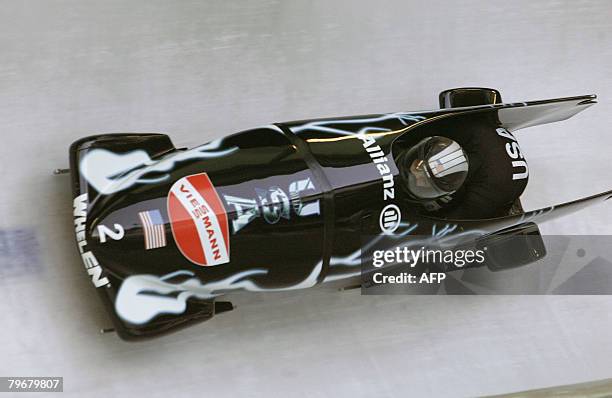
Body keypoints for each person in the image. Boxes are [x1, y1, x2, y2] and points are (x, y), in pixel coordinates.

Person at [397, 124, 529, 219]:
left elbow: (453, 222)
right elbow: (416, 131)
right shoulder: (463, 129)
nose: (415, 178)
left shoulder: (484, 196)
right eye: (416, 167)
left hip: (507, 183)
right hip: (485, 137)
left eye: (424, 182)